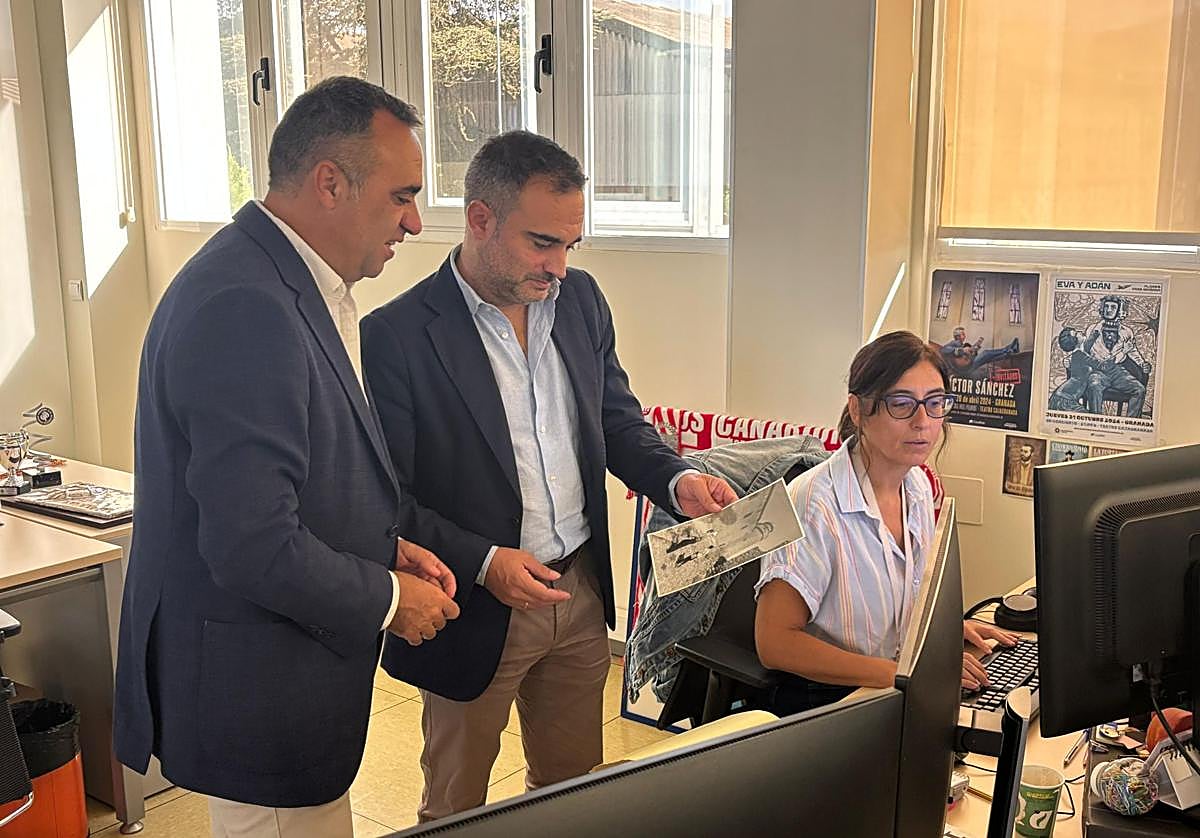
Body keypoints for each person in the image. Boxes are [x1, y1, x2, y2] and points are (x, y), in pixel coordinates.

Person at [113, 77, 461, 838]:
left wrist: (386, 548)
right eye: (402, 194)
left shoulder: (290, 281)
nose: (414, 219)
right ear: (330, 183)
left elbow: (295, 481)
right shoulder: (247, 304)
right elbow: (252, 545)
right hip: (259, 691)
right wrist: (391, 600)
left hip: (282, 675)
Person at [360, 130, 736, 821]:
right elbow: (384, 501)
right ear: (480, 220)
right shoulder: (399, 335)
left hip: (577, 592)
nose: (559, 266)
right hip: (469, 607)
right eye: (542, 243)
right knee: (455, 807)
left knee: (571, 798)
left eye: (571, 246)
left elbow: (617, 422)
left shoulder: (581, 302)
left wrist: (676, 480)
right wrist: (483, 563)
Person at [753, 330, 1017, 714]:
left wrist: (948, 631)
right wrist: (903, 674)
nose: (923, 422)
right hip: (828, 704)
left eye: (935, 402)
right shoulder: (813, 502)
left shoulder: (918, 487)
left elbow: (902, 599)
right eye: (901, 404)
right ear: (859, 410)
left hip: (890, 689)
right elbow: (774, 642)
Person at [1081, 295, 1150, 417]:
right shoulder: (1092, 329)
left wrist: (1142, 364)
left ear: (1120, 310)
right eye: (1106, 306)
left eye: (1113, 307)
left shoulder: (1127, 331)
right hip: (1098, 371)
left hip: (1117, 372)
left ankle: (1131, 425)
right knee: (1094, 385)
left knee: (1140, 390)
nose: (1108, 310)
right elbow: (1085, 351)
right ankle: (1095, 423)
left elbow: (1133, 351)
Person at [939, 325, 1019, 373]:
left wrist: (974, 351)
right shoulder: (954, 343)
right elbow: (943, 350)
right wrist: (962, 350)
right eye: (963, 334)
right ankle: (1007, 348)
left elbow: (967, 358)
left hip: (967, 367)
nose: (965, 336)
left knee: (989, 358)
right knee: (986, 353)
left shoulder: (962, 345)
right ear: (957, 336)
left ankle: (1010, 352)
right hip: (963, 370)